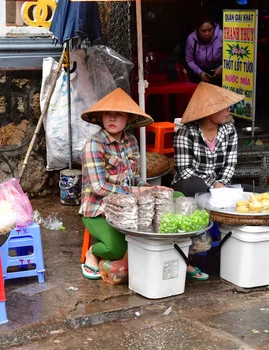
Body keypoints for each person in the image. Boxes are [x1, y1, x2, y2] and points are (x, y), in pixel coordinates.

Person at [78, 88, 206, 281]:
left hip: (130, 204)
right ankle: (92, 254)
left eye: (118, 114)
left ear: (128, 119)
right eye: (107, 114)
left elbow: (133, 177)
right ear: (101, 117)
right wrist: (138, 191)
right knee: (116, 248)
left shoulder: (131, 141)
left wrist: (150, 188)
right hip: (98, 208)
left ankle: (182, 257)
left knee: (176, 199)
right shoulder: (94, 145)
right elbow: (99, 188)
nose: (112, 119)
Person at [172, 82, 244, 197]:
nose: (228, 110)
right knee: (196, 185)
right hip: (191, 185)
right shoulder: (186, 133)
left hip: (221, 186)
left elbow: (230, 164)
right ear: (210, 112)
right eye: (224, 107)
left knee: (256, 193)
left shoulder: (229, 130)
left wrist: (221, 184)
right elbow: (184, 170)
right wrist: (214, 184)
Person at [185, 16, 223, 84]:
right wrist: (200, 72)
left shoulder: (221, 36)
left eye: (210, 30)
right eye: (203, 31)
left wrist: (222, 67)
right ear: (197, 30)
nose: (207, 34)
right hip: (200, 72)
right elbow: (189, 60)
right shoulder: (191, 39)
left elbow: (231, 56)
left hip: (219, 72)